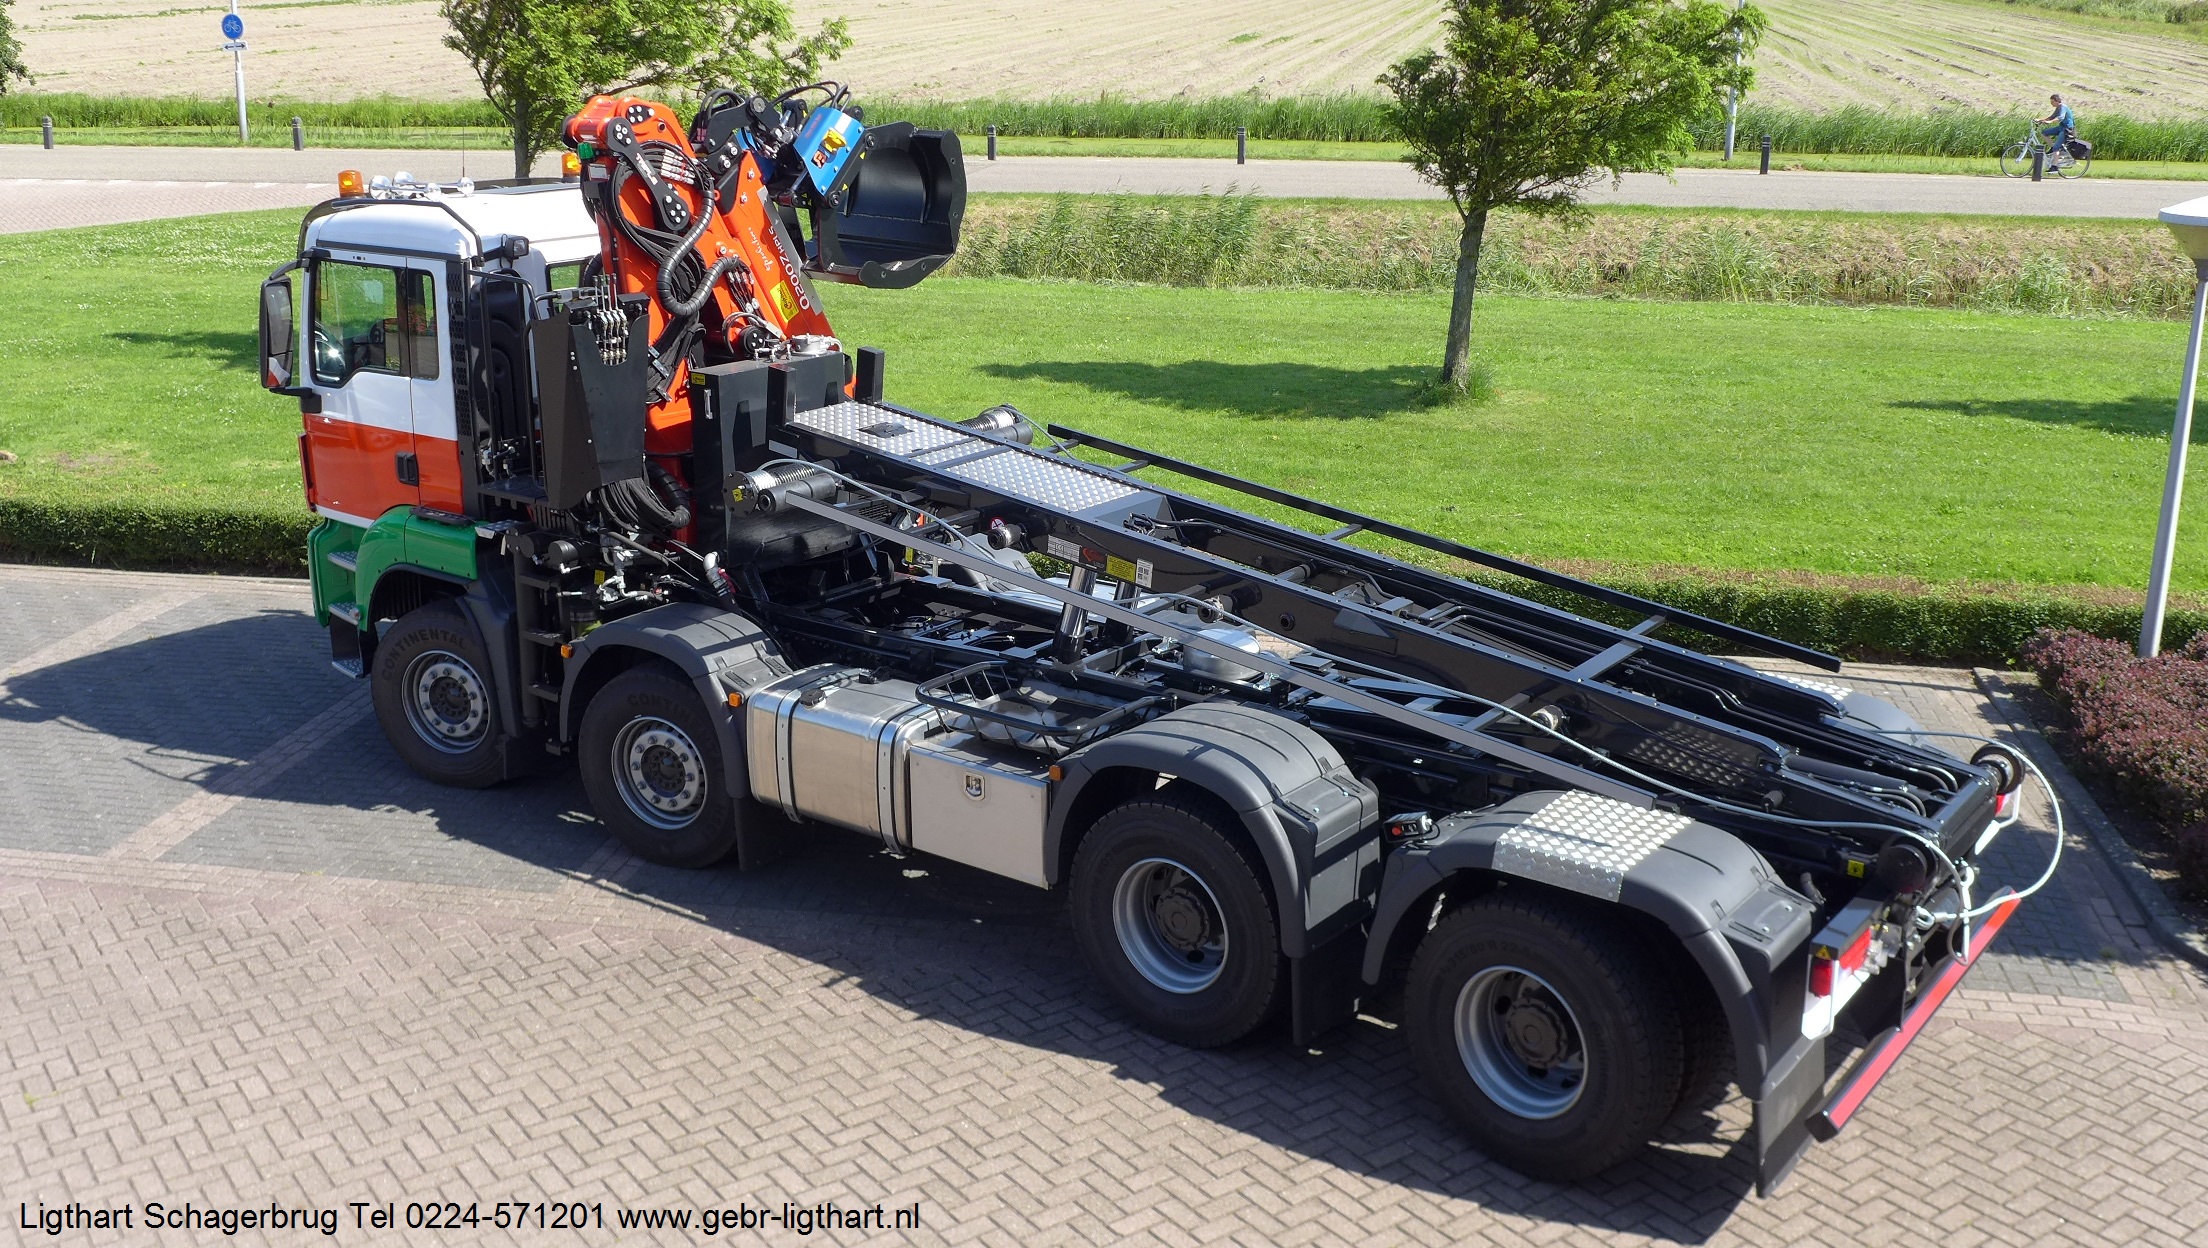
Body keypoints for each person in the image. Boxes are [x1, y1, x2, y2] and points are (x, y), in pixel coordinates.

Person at [2037, 94, 2077, 163]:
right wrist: (2041, 120)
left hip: (2066, 129)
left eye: (2052, 102)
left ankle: (2054, 167)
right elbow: (2052, 117)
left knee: (2056, 147)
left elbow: (2060, 117)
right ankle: (2053, 148)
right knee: (2044, 133)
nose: (2051, 103)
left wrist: (2050, 122)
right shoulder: (2058, 108)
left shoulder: (2063, 107)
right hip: (2061, 127)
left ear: (2057, 101)